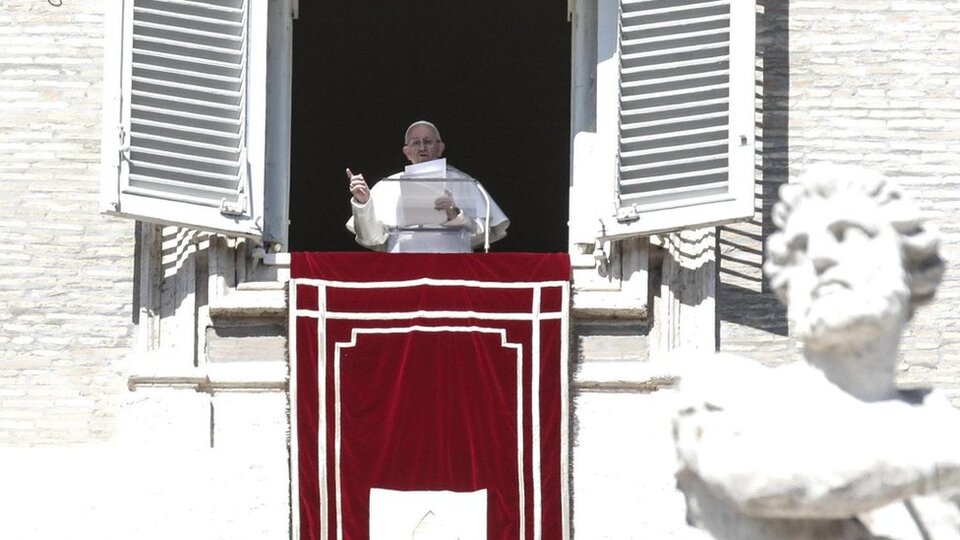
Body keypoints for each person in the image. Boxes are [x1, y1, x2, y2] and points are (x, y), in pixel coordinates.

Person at [672, 164, 960, 540]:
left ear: (910, 267)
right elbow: (756, 479)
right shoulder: (732, 392)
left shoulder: (938, 421)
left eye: (848, 234)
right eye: (799, 248)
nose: (819, 257)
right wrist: (938, 461)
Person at [345, 121, 509, 252]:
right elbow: (371, 238)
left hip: (453, 267)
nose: (422, 147)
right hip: (403, 268)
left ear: (440, 147)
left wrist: (455, 215)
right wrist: (364, 203)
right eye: (416, 143)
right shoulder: (387, 185)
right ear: (406, 152)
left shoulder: (465, 183)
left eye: (428, 141)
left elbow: (482, 235)